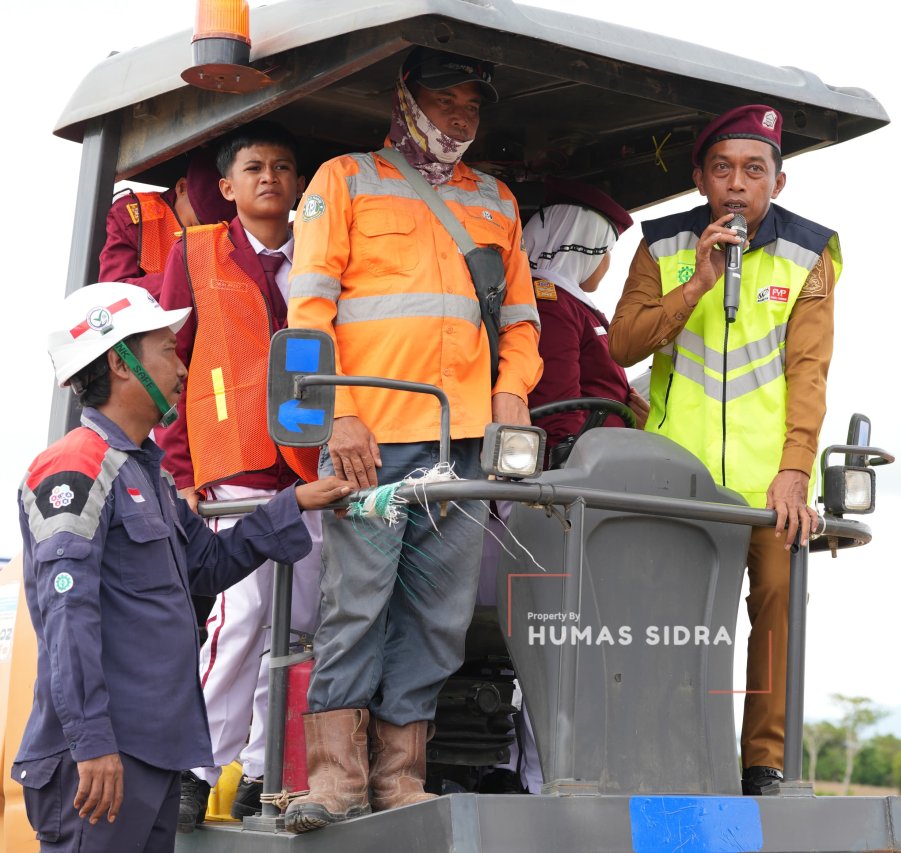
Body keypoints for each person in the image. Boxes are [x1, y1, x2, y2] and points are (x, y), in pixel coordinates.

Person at [283, 47, 541, 832]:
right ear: (406, 99)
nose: (461, 116)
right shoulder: (344, 179)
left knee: (438, 616)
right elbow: (309, 312)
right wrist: (336, 413)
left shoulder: (496, 200)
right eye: (445, 99)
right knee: (357, 606)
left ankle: (400, 779)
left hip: (461, 445)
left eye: (472, 105)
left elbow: (522, 323)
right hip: (368, 441)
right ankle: (335, 779)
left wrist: (510, 392)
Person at [9, 282, 352, 852]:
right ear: (121, 364)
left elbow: (208, 565)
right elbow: (68, 617)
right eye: (168, 350)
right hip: (101, 762)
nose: (183, 367)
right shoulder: (76, 468)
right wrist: (92, 744)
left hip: (153, 755)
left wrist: (292, 504)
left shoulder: (148, 474)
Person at [609, 104, 840, 795]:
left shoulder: (811, 252)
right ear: (700, 178)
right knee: (669, 624)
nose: (737, 184)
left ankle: (762, 764)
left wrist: (795, 471)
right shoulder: (662, 245)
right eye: (723, 169)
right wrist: (699, 283)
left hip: (769, 485)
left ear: (778, 180)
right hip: (674, 479)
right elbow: (621, 346)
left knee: (777, 608)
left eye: (753, 170)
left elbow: (809, 372)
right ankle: (663, 757)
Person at [153, 121, 324, 831]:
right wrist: (179, 468)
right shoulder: (194, 251)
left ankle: (260, 771)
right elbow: (168, 360)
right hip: (233, 464)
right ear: (226, 185)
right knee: (244, 616)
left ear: (299, 183)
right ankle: (193, 770)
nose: (270, 178)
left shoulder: (319, 252)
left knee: (300, 624)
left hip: (309, 467)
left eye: (283, 166)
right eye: (254, 167)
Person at [524, 177, 646, 465]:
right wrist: (570, 466)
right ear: (583, 247)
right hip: (584, 468)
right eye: (606, 249)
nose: (607, 261)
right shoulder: (550, 305)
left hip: (605, 457)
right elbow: (557, 407)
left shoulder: (569, 302)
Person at [98, 148, 236, 297]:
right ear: (182, 188)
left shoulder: (234, 232)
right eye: (196, 225)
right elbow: (113, 292)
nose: (202, 236)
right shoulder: (134, 217)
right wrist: (185, 280)